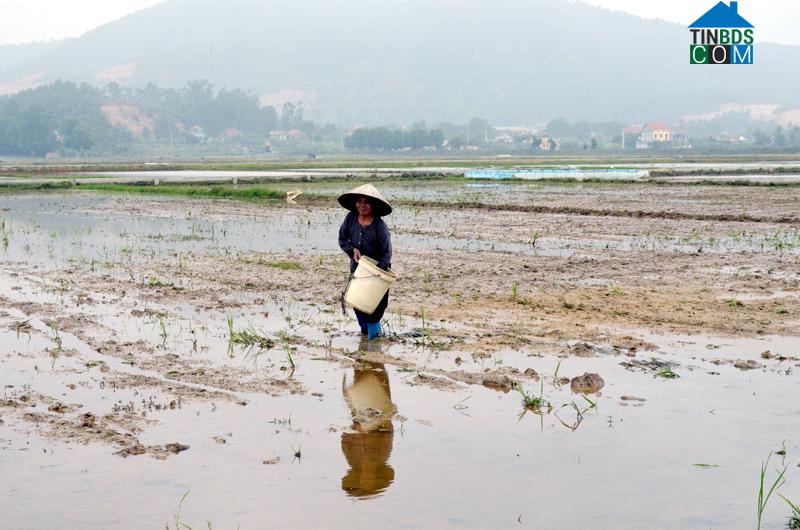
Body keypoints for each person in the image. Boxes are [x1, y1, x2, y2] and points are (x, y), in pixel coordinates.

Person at [337, 183, 392, 339]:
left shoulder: (379, 226)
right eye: (359, 201)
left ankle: (374, 339)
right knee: (358, 302)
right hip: (357, 268)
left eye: (366, 202)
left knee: (374, 308)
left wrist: (377, 272)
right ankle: (366, 334)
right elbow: (342, 239)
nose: (362, 205)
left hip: (377, 271)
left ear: (373, 205)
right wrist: (351, 249)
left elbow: (386, 253)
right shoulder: (350, 218)